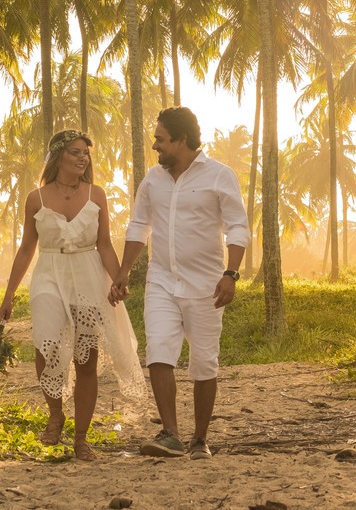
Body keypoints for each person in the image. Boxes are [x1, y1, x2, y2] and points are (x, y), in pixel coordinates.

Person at [109, 107, 249, 460]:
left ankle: (200, 439)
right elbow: (139, 226)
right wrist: (124, 269)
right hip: (162, 281)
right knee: (158, 351)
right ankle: (170, 433)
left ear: (181, 140)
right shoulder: (153, 180)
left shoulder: (219, 176)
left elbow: (237, 227)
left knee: (204, 363)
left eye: (160, 139)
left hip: (207, 285)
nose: (155, 145)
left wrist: (230, 274)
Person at [0, 129, 145, 462]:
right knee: (46, 345)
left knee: (86, 359)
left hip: (89, 273)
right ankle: (55, 413)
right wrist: (8, 295)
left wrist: (118, 278)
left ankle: (81, 438)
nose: (83, 158)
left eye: (86, 154)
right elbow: (26, 248)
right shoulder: (36, 198)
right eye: (76, 152)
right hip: (48, 272)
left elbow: (105, 244)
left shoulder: (97, 195)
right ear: (58, 157)